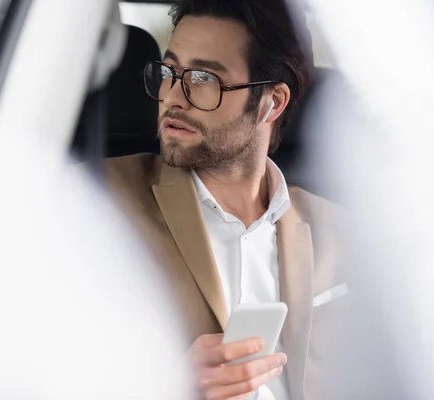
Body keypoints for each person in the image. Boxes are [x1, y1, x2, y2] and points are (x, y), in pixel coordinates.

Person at [100, 0, 350, 399]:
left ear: (272, 102)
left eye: (202, 78)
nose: (172, 97)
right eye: (169, 71)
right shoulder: (99, 200)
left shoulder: (342, 232)